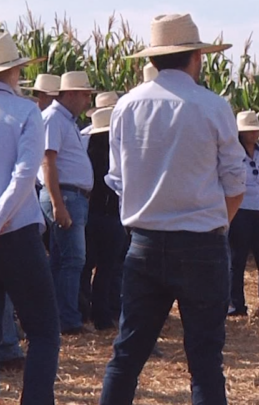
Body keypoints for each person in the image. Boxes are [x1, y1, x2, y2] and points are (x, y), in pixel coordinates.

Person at [100, 14, 246, 405]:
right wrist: (218, 224)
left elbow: (117, 180)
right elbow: (236, 183)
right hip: (202, 246)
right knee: (204, 363)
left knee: (126, 356)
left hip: (144, 244)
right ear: (195, 57)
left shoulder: (126, 107)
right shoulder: (213, 107)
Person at [0, 31, 61, 404]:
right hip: (17, 233)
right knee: (42, 331)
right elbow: (25, 174)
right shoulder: (25, 113)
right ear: (15, 71)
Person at [37, 71, 95, 335]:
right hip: (66, 196)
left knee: (63, 260)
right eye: (84, 95)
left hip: (70, 196)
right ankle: (68, 319)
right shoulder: (54, 119)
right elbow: (47, 162)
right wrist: (58, 204)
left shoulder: (65, 120)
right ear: (70, 93)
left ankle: (59, 316)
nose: (87, 100)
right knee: (73, 259)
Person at [227, 111, 259, 318]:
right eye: (249, 130)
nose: (254, 133)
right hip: (240, 211)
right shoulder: (232, 154)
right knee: (236, 261)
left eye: (256, 129)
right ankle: (236, 305)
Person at [81, 107, 126, 331]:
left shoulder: (87, 153)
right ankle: (103, 314)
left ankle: (84, 311)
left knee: (86, 265)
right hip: (111, 215)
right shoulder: (117, 155)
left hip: (90, 214)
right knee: (107, 269)